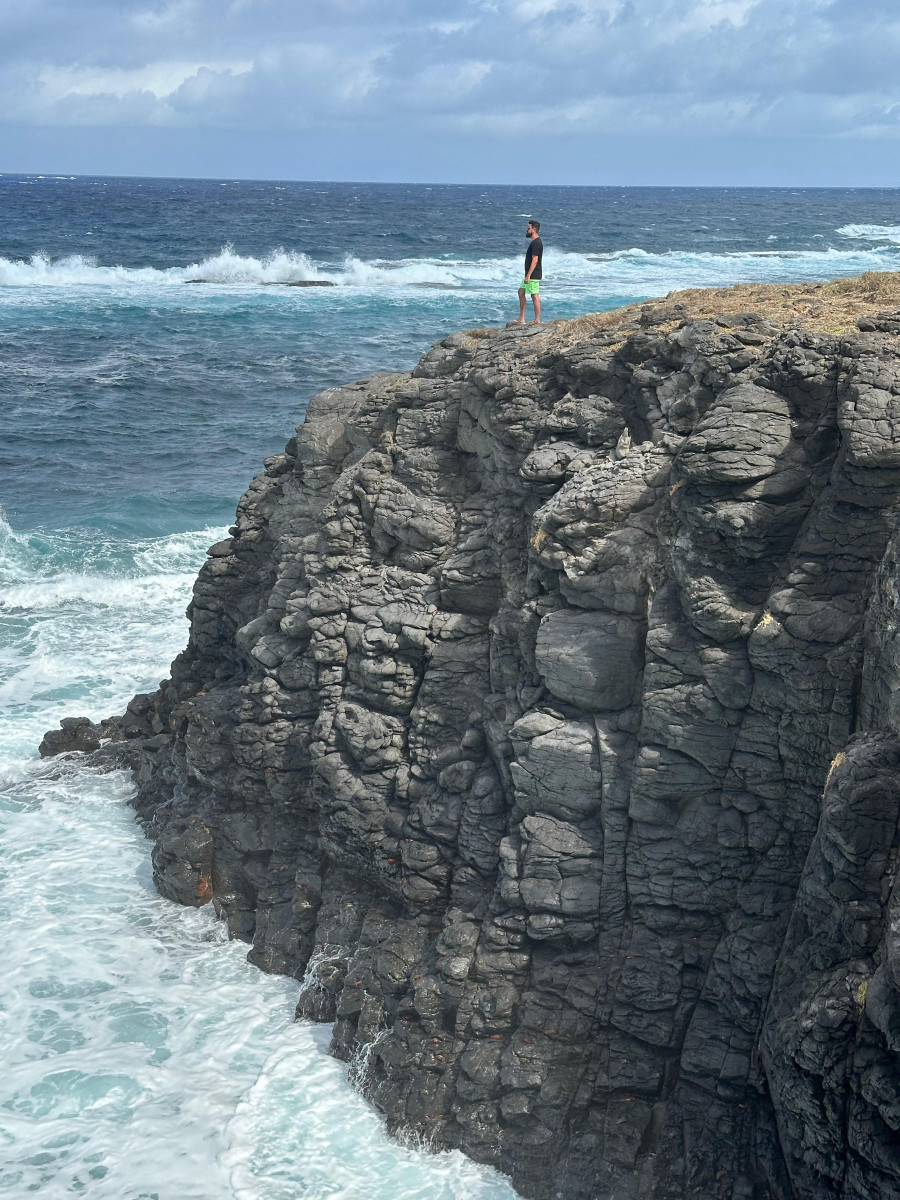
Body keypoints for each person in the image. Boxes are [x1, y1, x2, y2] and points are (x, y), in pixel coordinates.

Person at [517, 220, 543, 324]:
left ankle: (537, 320)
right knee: (521, 292)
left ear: (534, 229)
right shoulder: (534, 242)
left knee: (534, 296)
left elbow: (535, 260)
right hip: (529, 275)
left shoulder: (537, 243)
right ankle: (521, 318)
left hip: (533, 275)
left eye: (528, 228)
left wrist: (528, 276)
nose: (527, 230)